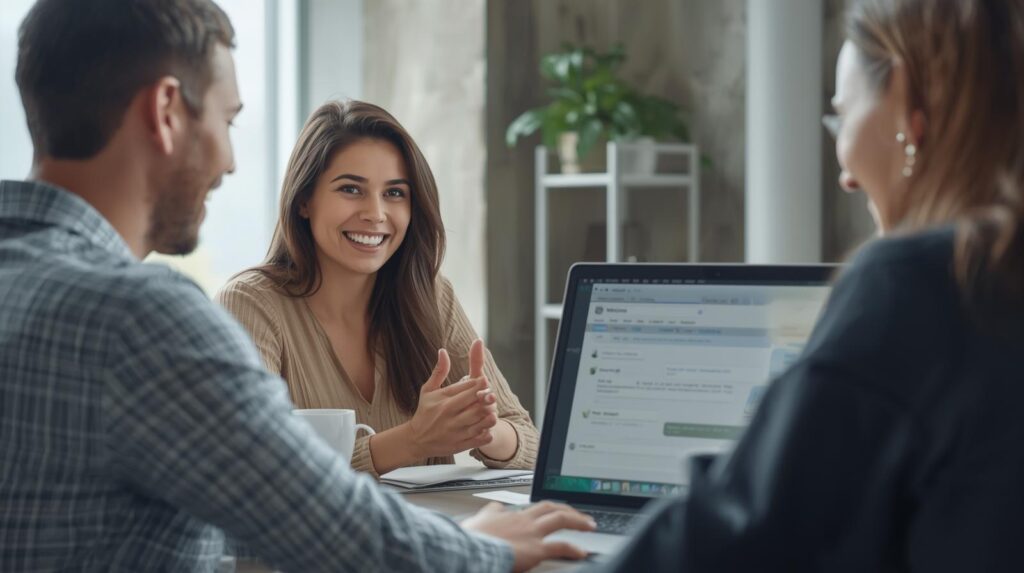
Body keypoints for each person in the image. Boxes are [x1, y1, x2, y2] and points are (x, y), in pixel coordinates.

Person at [0, 1, 594, 571]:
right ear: (166, 111)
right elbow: (324, 527)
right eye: (227, 120)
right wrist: (482, 549)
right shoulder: (141, 317)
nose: (231, 161)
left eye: (394, 193)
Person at [595, 0, 1024, 570]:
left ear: (903, 96)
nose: (845, 175)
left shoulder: (922, 286)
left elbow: (731, 534)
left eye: (842, 116)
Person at [216, 100, 537, 477]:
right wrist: (415, 439)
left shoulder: (432, 296)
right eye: (351, 189)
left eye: (395, 193)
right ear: (304, 200)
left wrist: (482, 428)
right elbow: (256, 464)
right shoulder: (250, 304)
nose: (376, 213)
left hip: (433, 532)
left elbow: (529, 443)